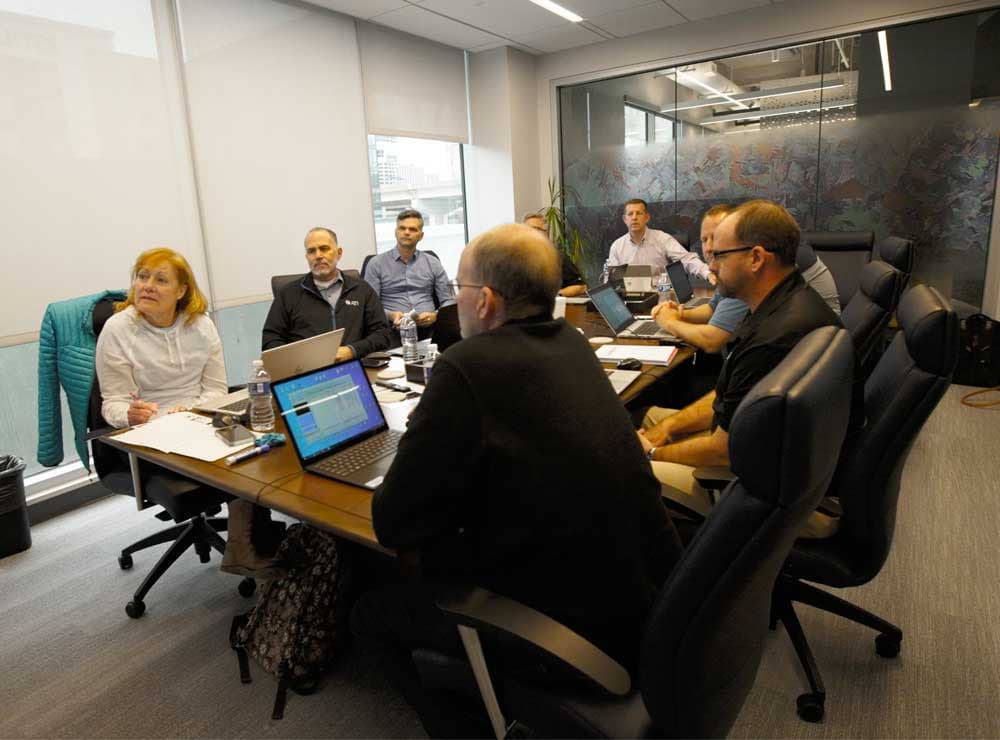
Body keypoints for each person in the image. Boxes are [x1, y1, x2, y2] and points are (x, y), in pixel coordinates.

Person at [351, 224, 682, 738]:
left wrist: (434, 437)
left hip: (567, 634)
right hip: (645, 602)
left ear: (484, 301)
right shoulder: (572, 343)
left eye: (457, 291)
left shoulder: (466, 365)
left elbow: (391, 522)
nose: (452, 304)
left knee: (372, 612)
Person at [637, 200, 855, 538]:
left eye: (720, 256)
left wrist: (650, 452)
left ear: (756, 258)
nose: (712, 265)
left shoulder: (772, 339)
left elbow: (723, 450)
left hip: (766, 494)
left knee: (618, 470)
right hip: (786, 463)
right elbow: (729, 397)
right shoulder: (784, 303)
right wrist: (666, 428)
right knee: (649, 417)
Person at [95, 248, 278, 576]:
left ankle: (245, 543)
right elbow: (113, 404)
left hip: (200, 417)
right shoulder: (117, 329)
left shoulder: (201, 325)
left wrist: (193, 409)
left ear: (181, 291)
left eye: (161, 279)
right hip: (149, 431)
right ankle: (245, 549)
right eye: (142, 276)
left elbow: (216, 390)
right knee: (233, 461)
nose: (148, 285)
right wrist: (130, 415)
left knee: (260, 446)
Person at [652, 205, 843, 354]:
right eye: (705, 240)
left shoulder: (754, 275)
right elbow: (713, 308)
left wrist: (670, 323)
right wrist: (680, 314)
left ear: (755, 256)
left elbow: (713, 340)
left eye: (719, 238)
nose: (710, 248)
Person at [262, 227, 392, 358]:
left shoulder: (362, 290)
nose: (318, 256)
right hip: (307, 372)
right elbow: (270, 340)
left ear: (339, 253)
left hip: (356, 367)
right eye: (312, 251)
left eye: (324, 248)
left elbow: (382, 335)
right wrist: (301, 359)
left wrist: (352, 351)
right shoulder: (288, 294)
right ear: (307, 257)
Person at [363, 209, 454, 340]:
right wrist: (391, 315)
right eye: (402, 228)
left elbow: (448, 300)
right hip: (390, 330)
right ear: (396, 232)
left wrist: (436, 315)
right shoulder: (376, 264)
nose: (406, 232)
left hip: (429, 330)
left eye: (412, 229)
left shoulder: (433, 263)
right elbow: (370, 305)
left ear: (421, 235)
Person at [608, 198, 710, 280]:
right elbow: (612, 279)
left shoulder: (662, 239)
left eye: (639, 213)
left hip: (660, 295)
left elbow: (687, 259)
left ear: (647, 217)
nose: (634, 217)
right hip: (629, 299)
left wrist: (707, 273)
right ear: (625, 219)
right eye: (630, 214)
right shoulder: (617, 246)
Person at [523, 211, 588, 297]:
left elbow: (580, 287)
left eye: (536, 229)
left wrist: (554, 296)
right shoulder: (510, 258)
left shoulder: (558, 258)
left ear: (545, 233)